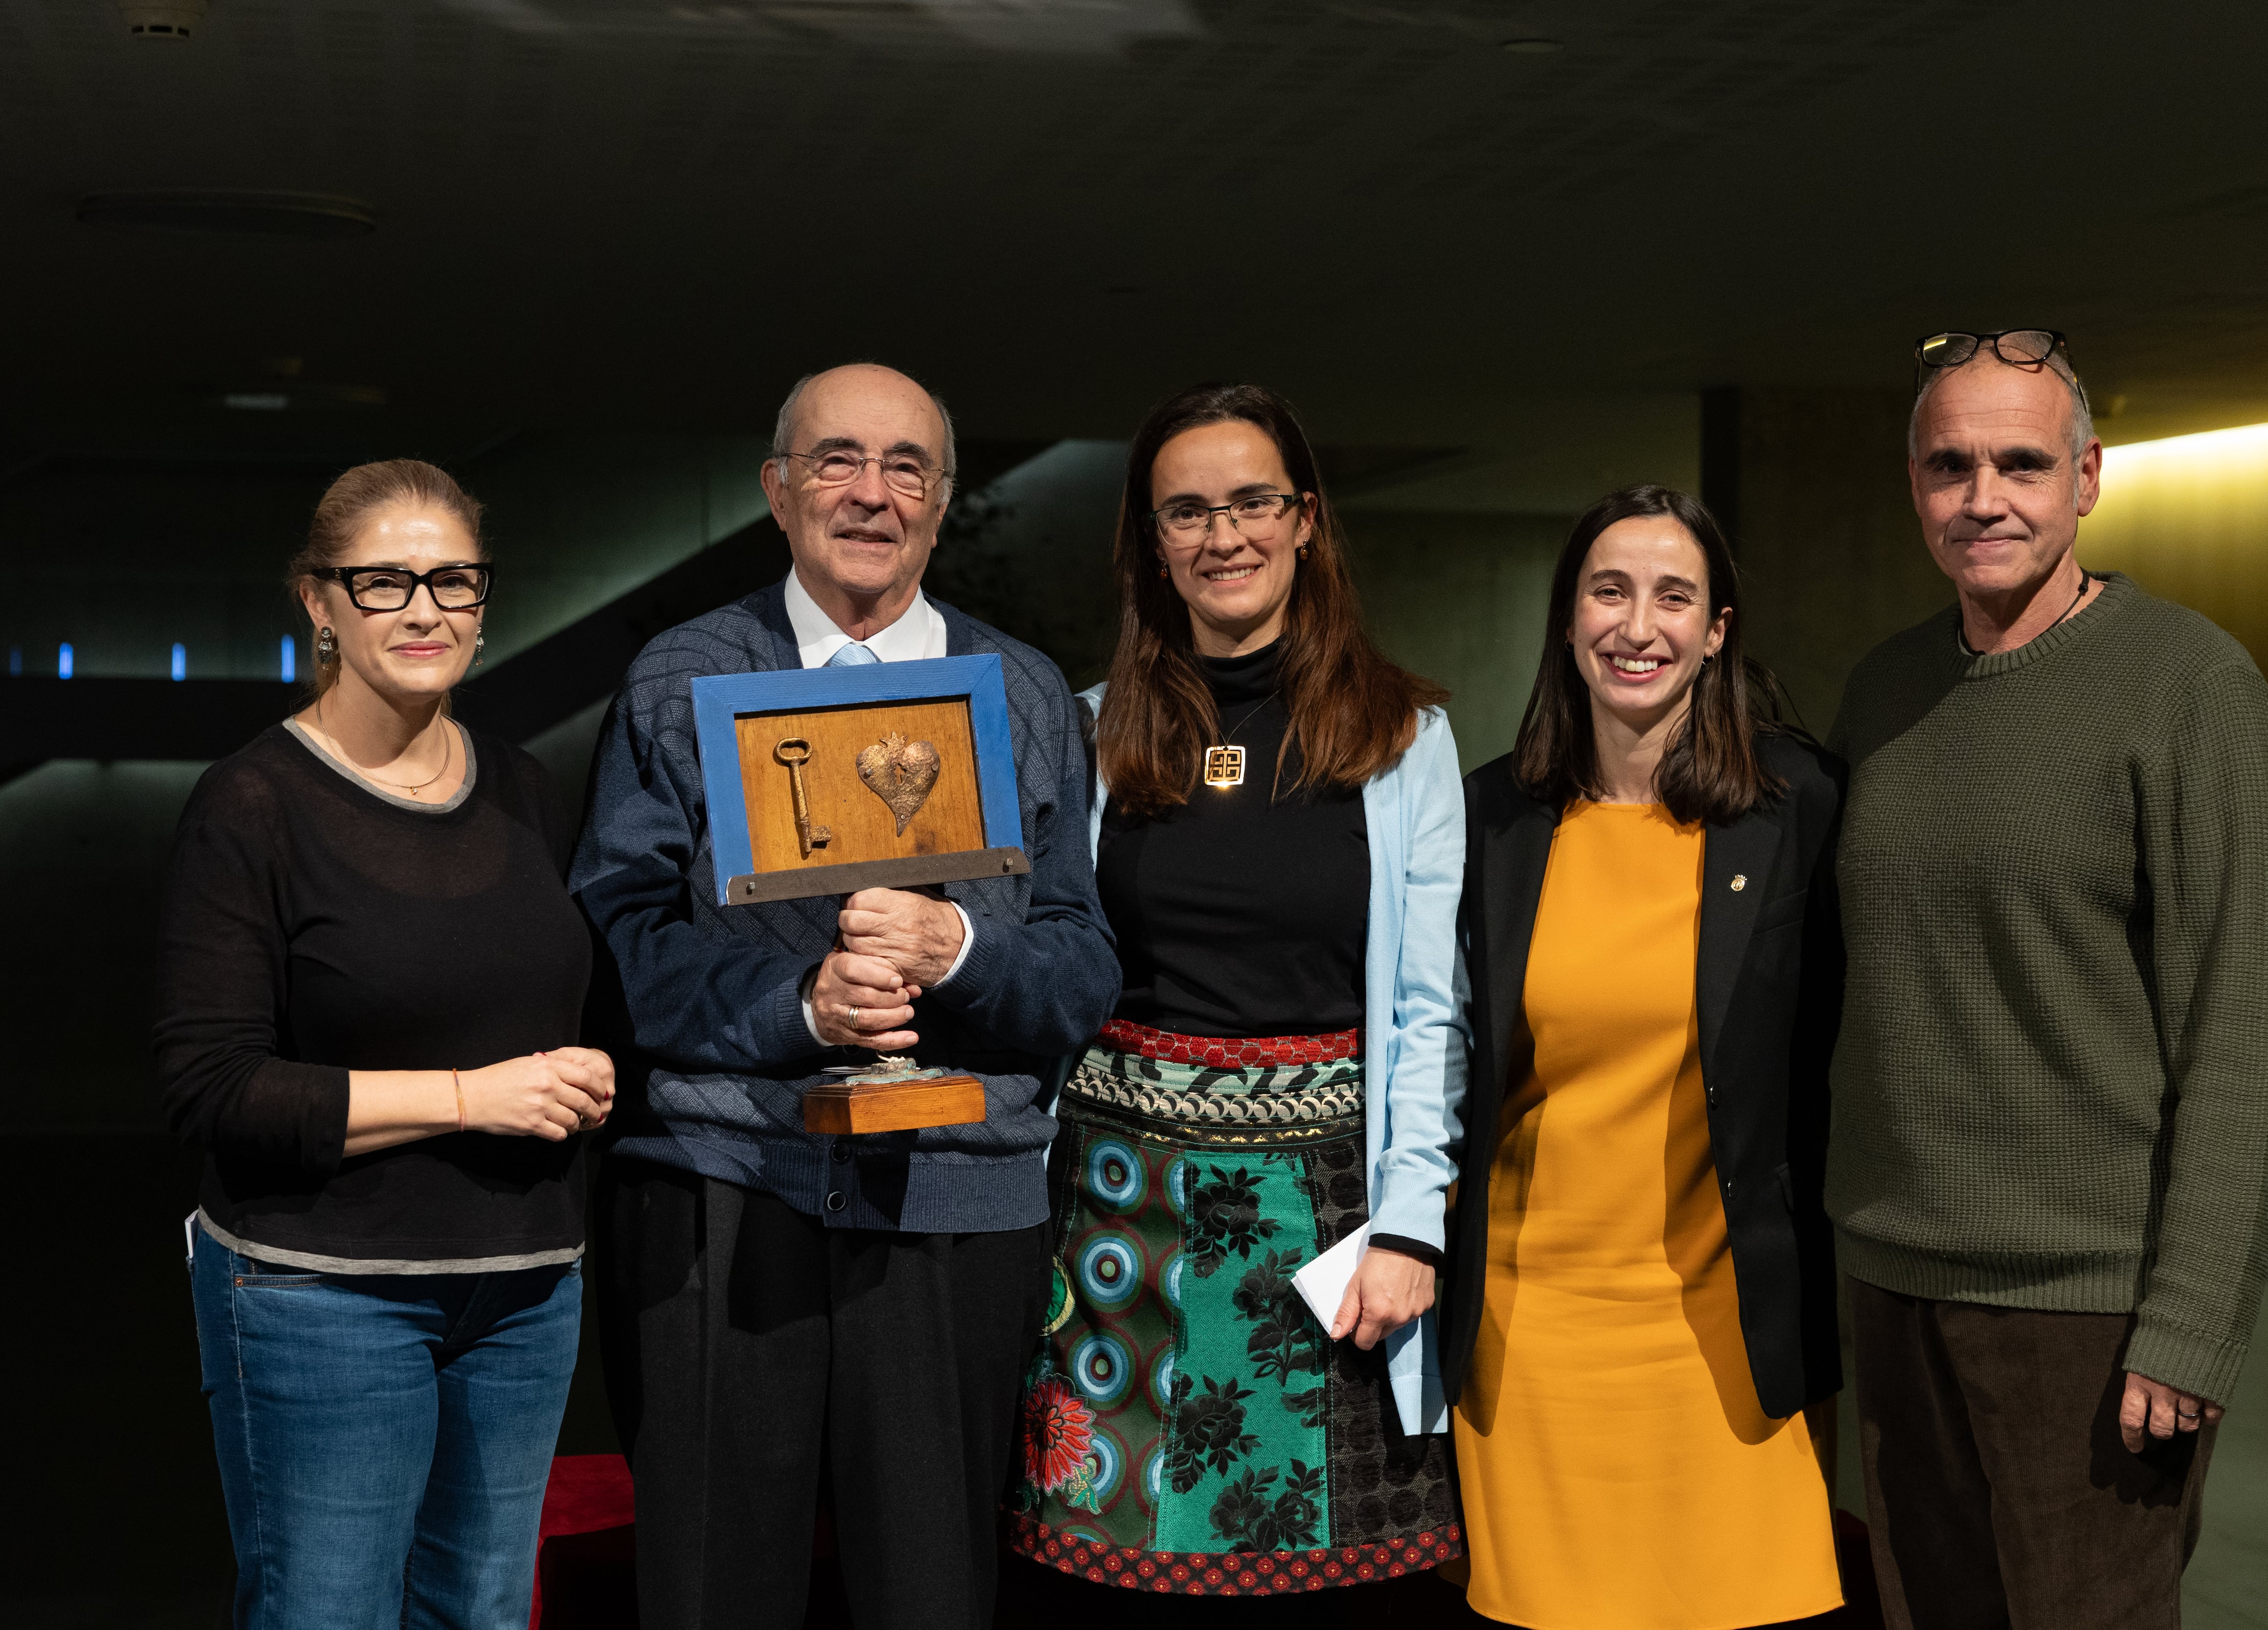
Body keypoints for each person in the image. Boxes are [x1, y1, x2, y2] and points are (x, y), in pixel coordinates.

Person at [570, 363, 1121, 1630]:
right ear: (776, 490)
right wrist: (800, 1007)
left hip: (955, 1204)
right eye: (836, 460)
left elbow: (1083, 965)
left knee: (932, 1593)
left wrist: (964, 949)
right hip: (720, 1193)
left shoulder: (1026, 691)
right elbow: (618, 935)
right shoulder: (681, 674)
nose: (871, 493)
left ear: (941, 502)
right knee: (712, 1591)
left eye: (906, 466)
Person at [1829, 330, 2268, 1629]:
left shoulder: (2193, 690)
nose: (1983, 496)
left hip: (2086, 1309)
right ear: (1916, 482)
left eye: (2023, 463)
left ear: (2088, 477)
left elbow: (2244, 1034)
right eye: (1951, 465)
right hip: (1893, 1281)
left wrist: (2194, 1323)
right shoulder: (1884, 691)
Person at [1004, 381, 1467, 1611]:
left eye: (1253, 501)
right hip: (1113, 1221)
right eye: (1188, 512)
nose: (1225, 536)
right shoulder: (1086, 734)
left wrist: (1415, 1223)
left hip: (1329, 1225)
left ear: (1305, 518)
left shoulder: (1405, 740)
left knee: (1332, 1583)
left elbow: (1428, 1008)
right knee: (1108, 1575)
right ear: (1151, 542)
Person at [158, 459, 616, 1630]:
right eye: (384, 583)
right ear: (317, 601)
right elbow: (214, 1088)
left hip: (523, 1292)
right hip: (322, 1296)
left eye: (453, 580)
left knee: (481, 1612)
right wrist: (474, 1096)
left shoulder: (527, 786)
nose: (425, 609)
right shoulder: (251, 803)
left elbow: (573, 1002)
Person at [1440, 485, 1846, 1629]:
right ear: (1567, 619)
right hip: (1531, 1335)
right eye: (1608, 591)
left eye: (1676, 596)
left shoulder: (1793, 805)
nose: (1638, 625)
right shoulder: (1488, 818)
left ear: (1716, 630)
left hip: (1725, 1331)